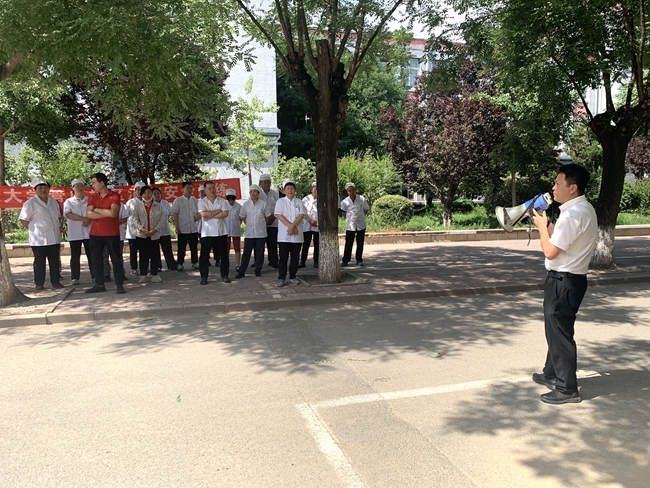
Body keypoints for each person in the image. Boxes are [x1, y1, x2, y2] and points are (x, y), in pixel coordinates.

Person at [531, 164, 598, 405]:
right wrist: (546, 223)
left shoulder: (573, 214)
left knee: (560, 333)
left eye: (558, 183)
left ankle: (567, 388)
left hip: (564, 280)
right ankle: (551, 373)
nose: (553, 187)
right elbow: (562, 238)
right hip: (570, 280)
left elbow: (551, 251)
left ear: (572, 187)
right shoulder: (581, 209)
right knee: (556, 329)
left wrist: (541, 229)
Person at [19, 177, 64, 290]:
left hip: (54, 237)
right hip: (39, 239)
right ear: (35, 190)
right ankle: (39, 283)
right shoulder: (30, 203)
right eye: (40, 188)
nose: (43, 190)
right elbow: (23, 219)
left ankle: (56, 281)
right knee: (39, 262)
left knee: (54, 260)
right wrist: (33, 229)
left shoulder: (53, 201)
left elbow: (58, 217)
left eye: (45, 187)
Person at [85, 172, 126, 294]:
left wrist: (97, 210)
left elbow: (113, 213)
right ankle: (99, 284)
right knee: (96, 259)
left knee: (116, 259)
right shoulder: (93, 196)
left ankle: (119, 284)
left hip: (112, 233)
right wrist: (105, 213)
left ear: (102, 183)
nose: (92, 185)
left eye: (94, 183)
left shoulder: (115, 196)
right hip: (95, 233)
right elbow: (89, 214)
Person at [198, 181, 231, 284]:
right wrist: (217, 211)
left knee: (224, 254)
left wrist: (210, 215)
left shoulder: (222, 201)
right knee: (204, 255)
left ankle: (225, 275)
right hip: (207, 232)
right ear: (205, 190)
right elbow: (204, 215)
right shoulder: (202, 202)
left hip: (221, 231)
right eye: (209, 188)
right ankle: (204, 277)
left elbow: (225, 214)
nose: (212, 190)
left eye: (213, 188)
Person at [235, 184, 272, 279]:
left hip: (261, 232)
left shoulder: (263, 204)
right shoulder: (246, 205)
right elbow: (243, 216)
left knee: (260, 252)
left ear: (258, 193)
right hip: (249, 233)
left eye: (255, 191)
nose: (253, 193)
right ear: (249, 193)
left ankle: (258, 269)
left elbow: (267, 217)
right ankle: (242, 271)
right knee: (246, 252)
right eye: (251, 192)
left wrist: (261, 223)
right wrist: (249, 223)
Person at [275, 179, 306, 287]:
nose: (290, 190)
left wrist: (293, 226)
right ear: (284, 190)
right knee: (283, 257)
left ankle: (293, 276)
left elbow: (301, 215)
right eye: (287, 188)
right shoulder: (280, 202)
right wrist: (291, 226)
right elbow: (279, 216)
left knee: (295, 257)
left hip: (296, 234)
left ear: (295, 190)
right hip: (284, 235)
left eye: (292, 188)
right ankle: (281, 277)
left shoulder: (299, 202)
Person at [132, 186, 165, 283]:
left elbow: (162, 219)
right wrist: (142, 229)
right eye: (145, 193)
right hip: (142, 235)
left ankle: (155, 274)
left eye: (149, 192)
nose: (147, 195)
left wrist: (154, 230)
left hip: (154, 235)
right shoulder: (138, 206)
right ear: (141, 195)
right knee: (143, 256)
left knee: (155, 255)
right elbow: (135, 219)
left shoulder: (158, 206)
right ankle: (143, 275)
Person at [63, 178, 92, 285]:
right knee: (75, 256)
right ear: (73, 188)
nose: (79, 188)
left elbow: (94, 211)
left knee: (92, 255)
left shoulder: (90, 200)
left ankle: (95, 276)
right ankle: (75, 277)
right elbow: (68, 214)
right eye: (77, 186)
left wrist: (89, 220)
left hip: (89, 232)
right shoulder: (68, 202)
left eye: (81, 186)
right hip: (75, 233)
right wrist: (83, 219)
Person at [172, 181, 201, 272]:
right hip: (183, 228)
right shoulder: (178, 200)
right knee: (181, 248)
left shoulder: (195, 200)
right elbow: (175, 214)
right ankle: (180, 264)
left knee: (194, 247)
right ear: (182, 189)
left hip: (193, 228)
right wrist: (177, 227)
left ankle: (195, 263)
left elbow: (200, 212)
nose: (189, 190)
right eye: (187, 188)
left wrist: (198, 216)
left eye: (191, 188)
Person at [102, 187, 129, 283]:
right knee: (104, 256)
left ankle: (120, 274)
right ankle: (106, 274)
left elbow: (125, 218)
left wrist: (113, 222)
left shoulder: (120, 205)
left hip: (117, 234)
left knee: (118, 256)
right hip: (104, 235)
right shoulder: (100, 205)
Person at [340, 182, 369, 266]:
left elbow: (366, 209)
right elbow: (343, 212)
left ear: (355, 190)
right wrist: (349, 219)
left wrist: (360, 216)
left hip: (361, 224)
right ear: (347, 192)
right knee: (348, 243)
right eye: (349, 191)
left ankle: (359, 259)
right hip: (351, 225)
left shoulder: (361, 198)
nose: (351, 192)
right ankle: (345, 260)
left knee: (360, 242)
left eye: (353, 190)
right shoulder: (345, 201)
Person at [152, 187, 177, 272]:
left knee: (168, 248)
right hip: (155, 231)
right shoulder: (151, 204)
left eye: (158, 193)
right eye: (154, 194)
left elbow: (169, 213)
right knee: (155, 250)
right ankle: (157, 266)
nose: (157, 195)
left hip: (165, 230)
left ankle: (171, 265)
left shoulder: (165, 203)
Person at [258, 173, 279, 268]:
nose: (267, 184)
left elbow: (278, 207)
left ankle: (273, 261)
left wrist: (272, 217)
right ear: (260, 183)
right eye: (264, 182)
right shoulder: (257, 193)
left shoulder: (275, 193)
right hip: (261, 223)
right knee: (260, 244)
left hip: (273, 222)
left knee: (273, 243)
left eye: (268, 182)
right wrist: (265, 219)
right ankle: (258, 262)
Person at [125, 181, 146, 276]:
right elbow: (125, 215)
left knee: (144, 251)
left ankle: (144, 267)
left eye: (142, 190)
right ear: (135, 191)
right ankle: (134, 268)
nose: (140, 191)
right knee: (133, 251)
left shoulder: (147, 202)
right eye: (138, 190)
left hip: (144, 231)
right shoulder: (130, 202)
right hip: (133, 231)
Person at [300, 182, 319, 268]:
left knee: (317, 244)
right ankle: (303, 261)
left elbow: (323, 212)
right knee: (306, 244)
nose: (316, 190)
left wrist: (316, 220)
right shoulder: (305, 199)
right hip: (307, 224)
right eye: (315, 188)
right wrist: (310, 220)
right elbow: (303, 212)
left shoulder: (321, 199)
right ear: (312, 189)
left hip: (317, 224)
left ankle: (316, 261)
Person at [224, 188, 242, 271]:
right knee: (226, 248)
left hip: (235, 229)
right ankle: (226, 264)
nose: (231, 201)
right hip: (226, 230)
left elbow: (241, 218)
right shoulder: (224, 206)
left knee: (237, 247)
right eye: (229, 199)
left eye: (232, 199)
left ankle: (237, 264)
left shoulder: (239, 207)